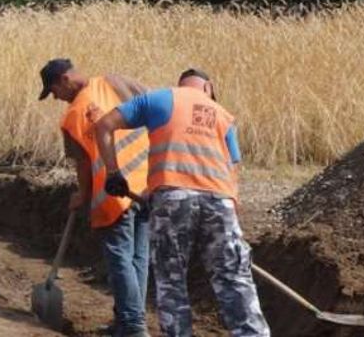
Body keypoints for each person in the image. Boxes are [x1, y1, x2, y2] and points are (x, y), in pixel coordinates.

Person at [93, 69, 270, 337]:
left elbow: (103, 125)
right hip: (221, 202)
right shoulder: (223, 115)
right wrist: (232, 222)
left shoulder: (159, 99)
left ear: (181, 84)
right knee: (235, 279)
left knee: (171, 281)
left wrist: (114, 172)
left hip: (173, 200)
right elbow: (232, 170)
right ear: (208, 87)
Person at [38, 58, 151, 337]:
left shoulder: (73, 117)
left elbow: (84, 164)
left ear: (64, 80)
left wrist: (83, 195)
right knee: (138, 258)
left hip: (114, 192)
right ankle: (127, 322)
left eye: (54, 91)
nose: (56, 98)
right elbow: (155, 110)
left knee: (121, 258)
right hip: (147, 185)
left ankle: (133, 326)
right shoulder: (116, 82)